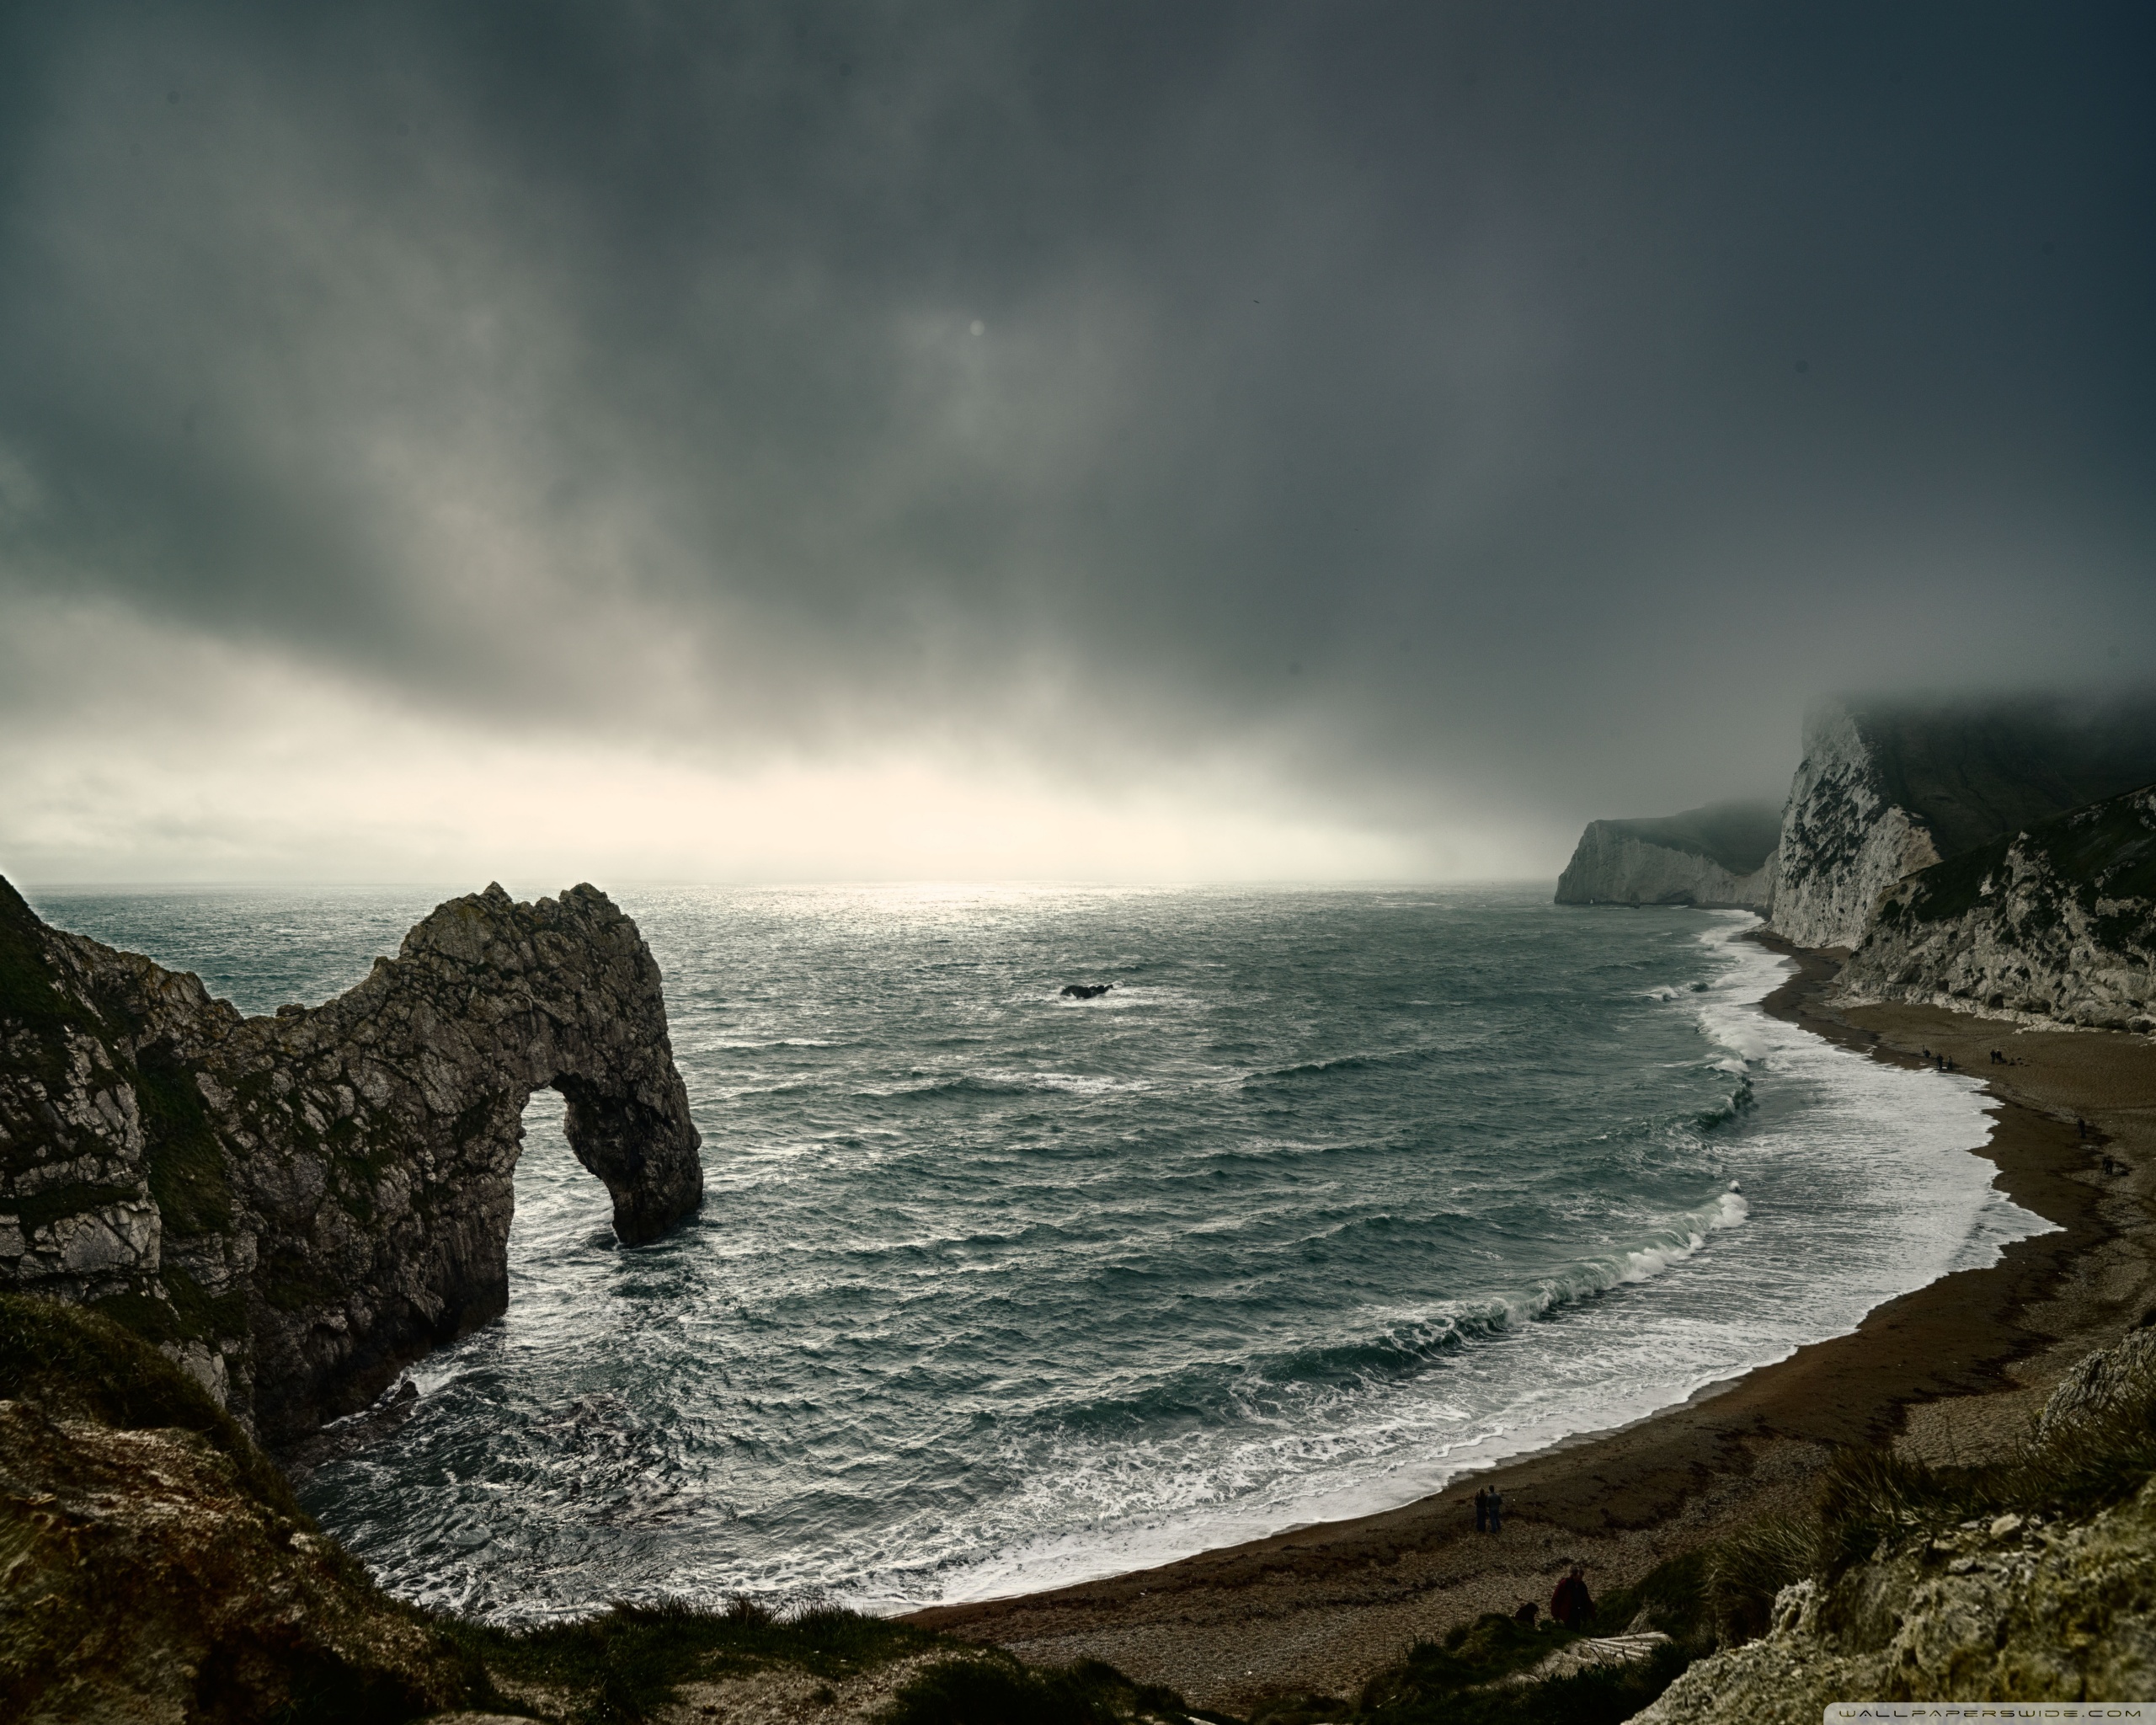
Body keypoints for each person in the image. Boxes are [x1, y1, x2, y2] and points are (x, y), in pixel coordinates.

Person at [1550, 1564, 1593, 1631]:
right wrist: (1555, 1614)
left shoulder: (1582, 1585)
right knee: (1568, 1629)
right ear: (1573, 1575)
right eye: (1578, 1578)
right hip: (1567, 1613)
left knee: (1576, 1629)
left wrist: (1591, 1612)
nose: (1579, 1580)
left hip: (1578, 1613)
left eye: (1581, 1578)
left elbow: (1586, 1599)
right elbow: (1556, 1598)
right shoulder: (1565, 1583)